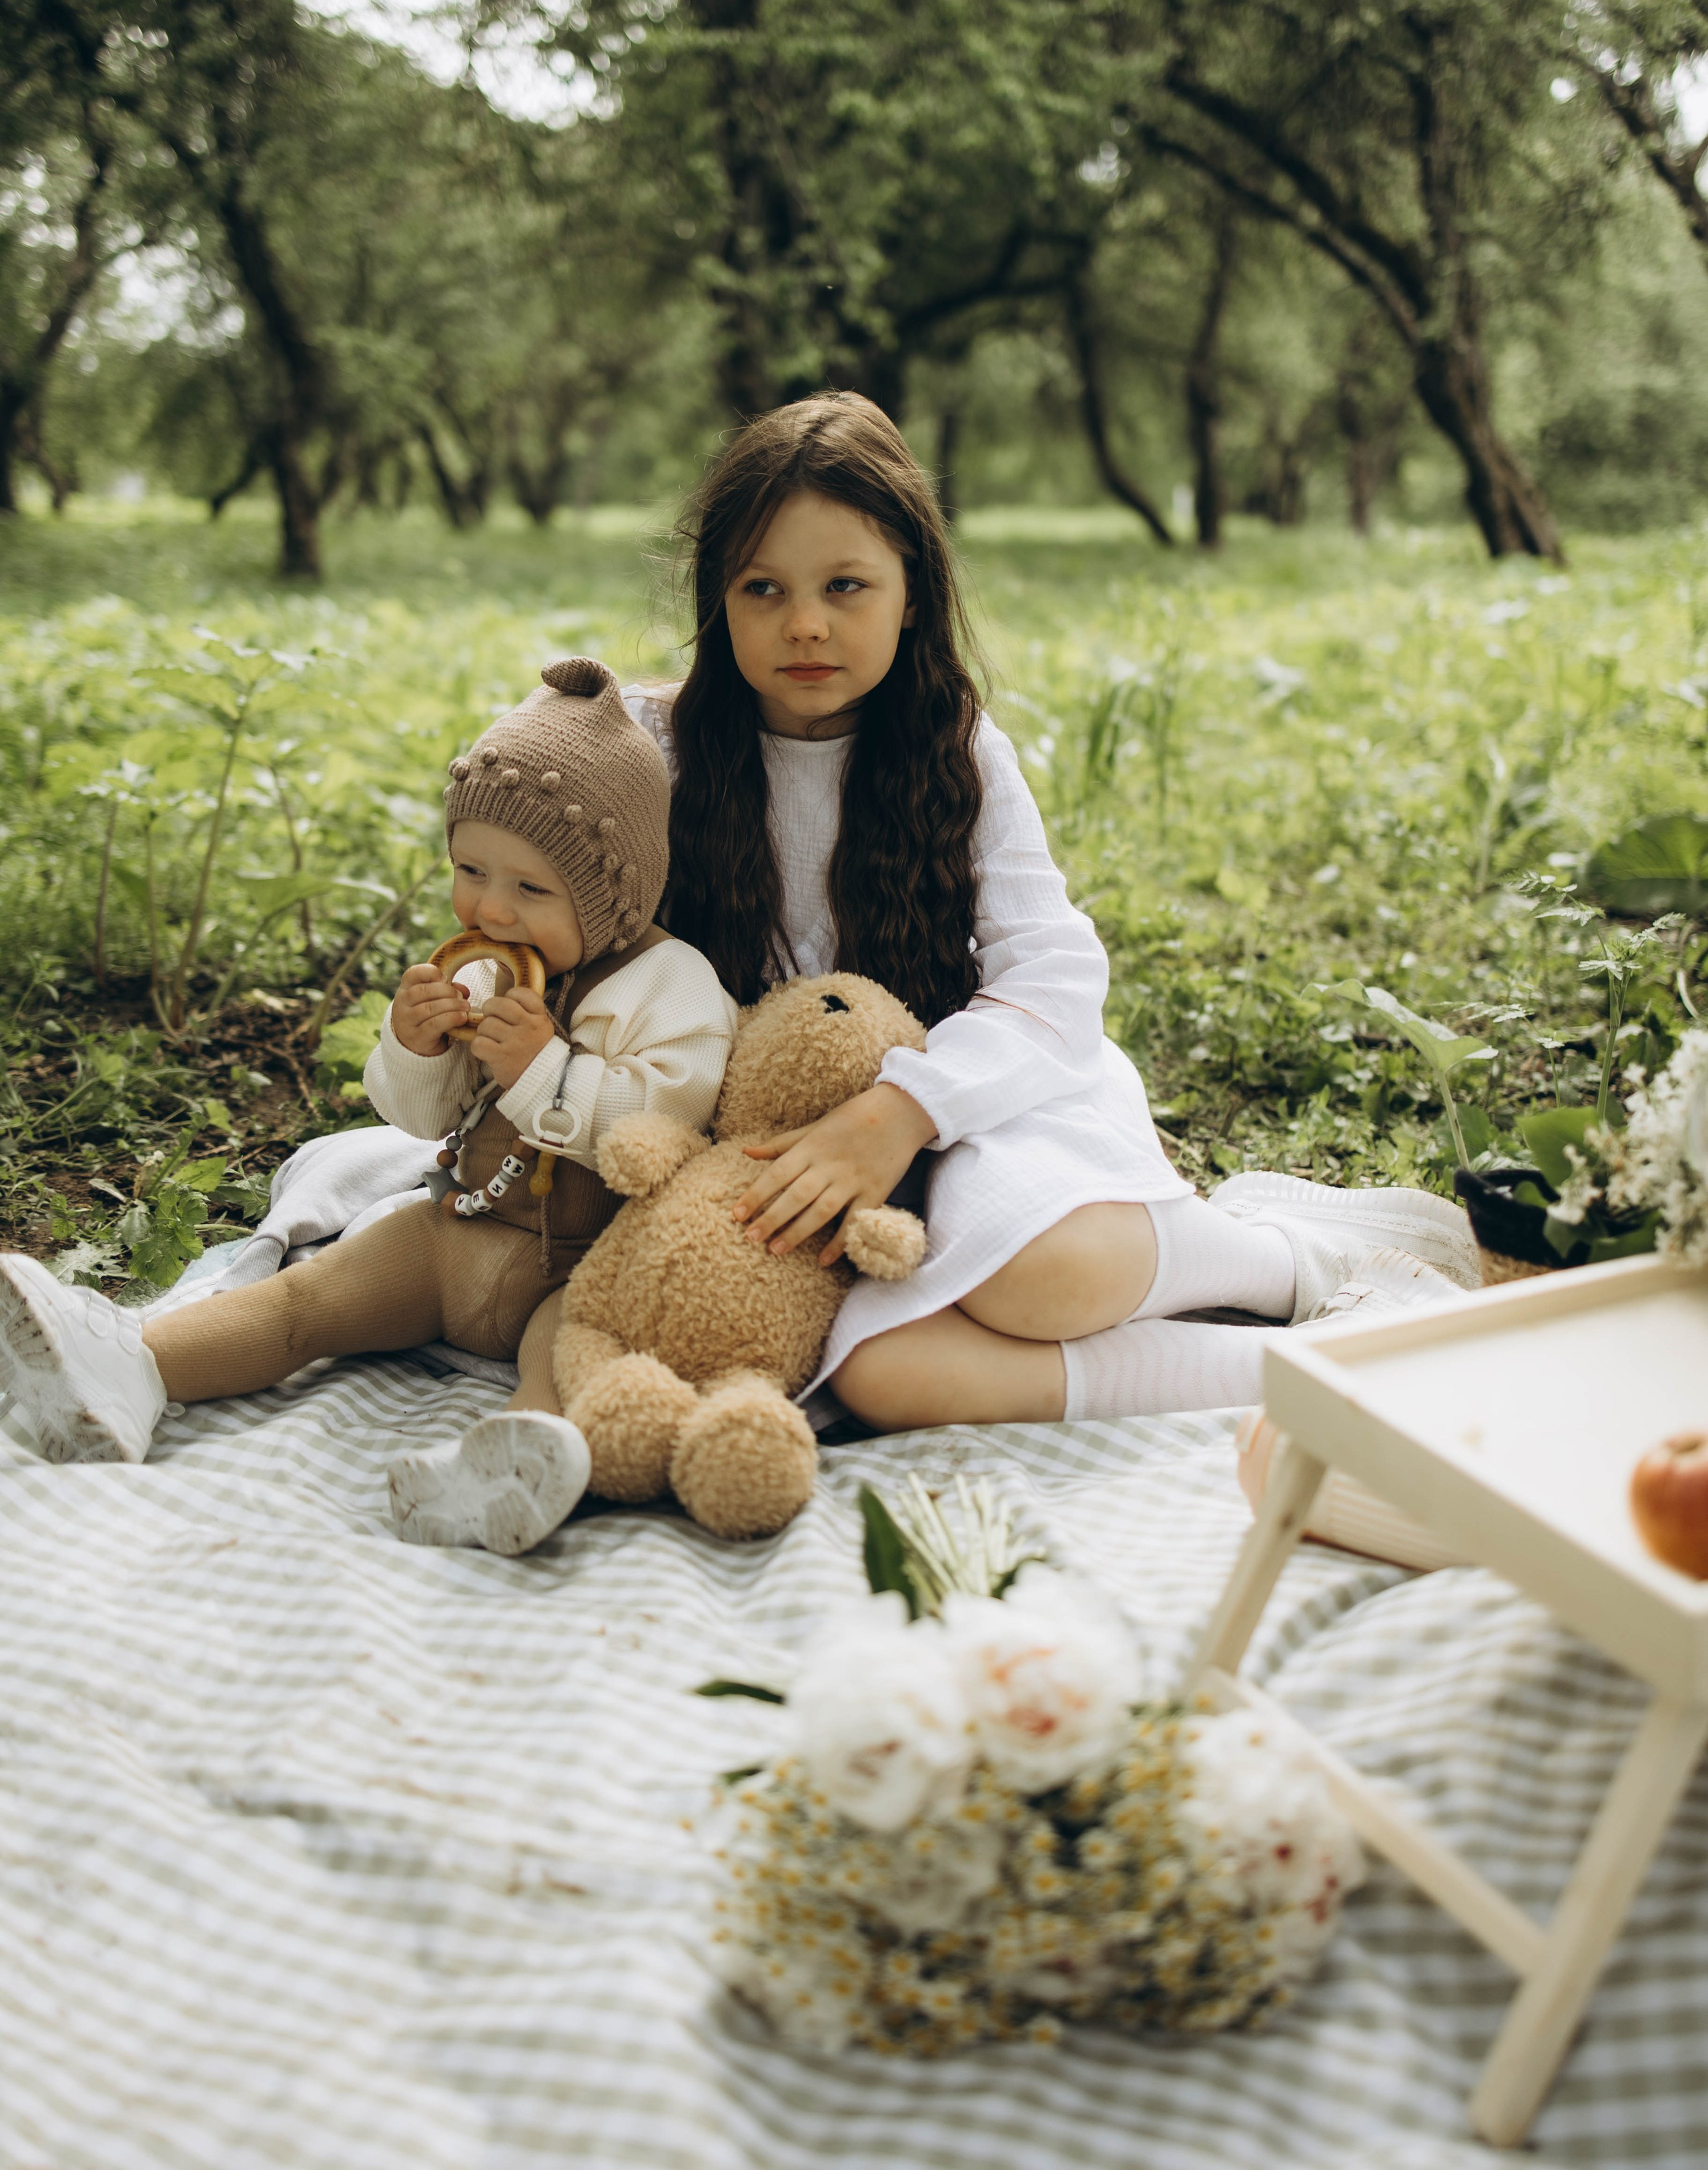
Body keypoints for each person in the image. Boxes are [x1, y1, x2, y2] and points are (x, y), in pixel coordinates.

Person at [629, 392, 1480, 1433]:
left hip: (978, 1099)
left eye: (845, 585)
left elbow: (1055, 978)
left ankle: (1289, 1259)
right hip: (768, 1142)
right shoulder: (662, 749)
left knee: (1040, 1282)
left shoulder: (954, 752)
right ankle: (1328, 1357)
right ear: (718, 599)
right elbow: (521, 837)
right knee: (883, 1378)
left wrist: (900, 1114)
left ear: (912, 596)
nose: (805, 622)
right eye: (763, 588)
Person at [0, 659, 738, 1552]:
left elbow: (668, 1130)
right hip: (457, 1230)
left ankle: (517, 1463)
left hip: (584, 1259)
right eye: (471, 869)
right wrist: (417, 1048)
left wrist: (545, 1068)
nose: (492, 908)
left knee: (574, 1346)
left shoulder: (671, 985)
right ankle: (133, 1367)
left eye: (532, 889)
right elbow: (424, 1121)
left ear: (613, 892)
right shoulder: (481, 966)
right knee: (309, 1302)